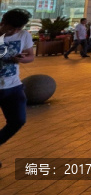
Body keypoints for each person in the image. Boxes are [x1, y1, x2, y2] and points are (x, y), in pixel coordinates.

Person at [0, 9, 35, 167]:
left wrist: (22, 58)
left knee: (18, 120)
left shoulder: (24, 35)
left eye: (18, 28)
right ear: (3, 22)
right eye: (11, 28)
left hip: (13, 85)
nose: (14, 31)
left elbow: (30, 56)